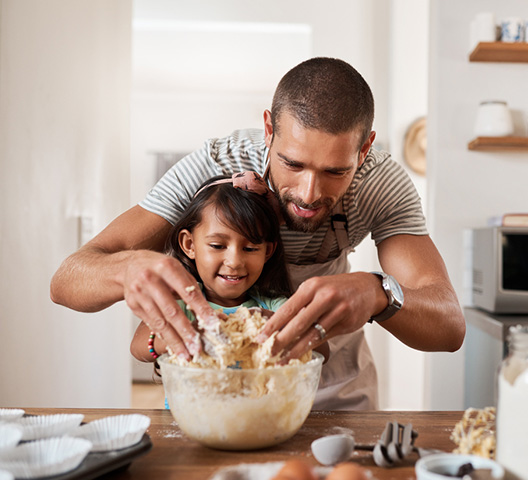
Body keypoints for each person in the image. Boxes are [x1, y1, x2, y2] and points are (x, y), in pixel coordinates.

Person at [50, 57, 466, 410]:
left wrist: (379, 291)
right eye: (293, 164)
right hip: (217, 401)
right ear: (268, 130)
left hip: (335, 394)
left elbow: (449, 326)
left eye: (336, 171)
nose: (309, 194)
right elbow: (66, 281)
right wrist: (125, 269)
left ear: (365, 148)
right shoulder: (213, 165)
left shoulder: (381, 184)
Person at [130, 173, 326, 362]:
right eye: (217, 246)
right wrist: (188, 335)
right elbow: (138, 346)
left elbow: (323, 350)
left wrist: (277, 323)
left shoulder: (273, 306)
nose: (234, 262)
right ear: (189, 245)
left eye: (250, 248)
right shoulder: (183, 304)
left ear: (267, 252)